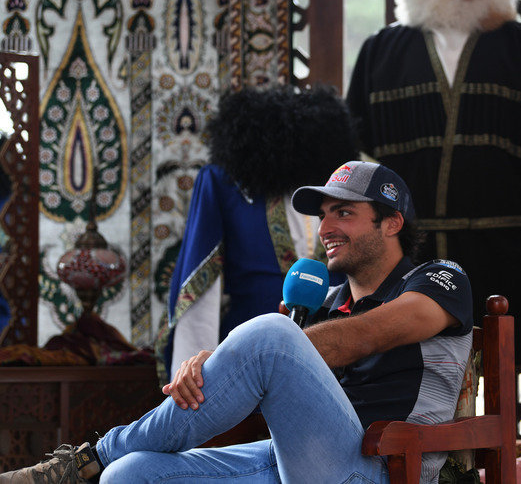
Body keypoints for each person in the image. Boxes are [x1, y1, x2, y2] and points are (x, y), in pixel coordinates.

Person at [1, 160, 473, 484]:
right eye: (324, 215)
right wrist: (218, 362)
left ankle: (89, 456)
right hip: (297, 461)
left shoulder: (438, 280)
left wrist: (273, 345)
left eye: (344, 213)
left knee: (271, 333)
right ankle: (103, 461)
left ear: (391, 223)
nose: (326, 228)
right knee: (130, 474)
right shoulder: (324, 302)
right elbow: (272, 377)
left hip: (381, 469)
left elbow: (372, 333)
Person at [346, 0, 521, 367]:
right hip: (405, 257)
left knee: (498, 367)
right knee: (404, 371)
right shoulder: (380, 51)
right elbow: (359, 170)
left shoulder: (520, 43)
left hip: (499, 249)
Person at [155, 84, 359, 383]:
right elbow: (200, 281)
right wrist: (193, 379)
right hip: (246, 354)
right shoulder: (222, 183)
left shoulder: (349, 191)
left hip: (337, 357)